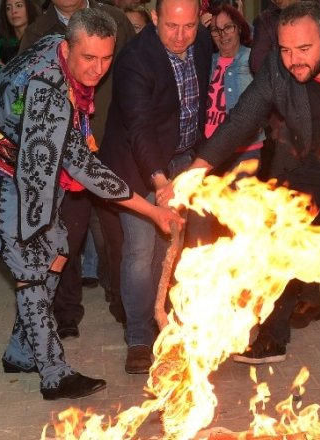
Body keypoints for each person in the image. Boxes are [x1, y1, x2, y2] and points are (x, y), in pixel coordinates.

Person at [161, 0, 320, 384]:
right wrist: (195, 171)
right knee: (280, 244)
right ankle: (272, 338)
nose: (293, 60)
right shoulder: (278, 68)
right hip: (317, 159)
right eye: (285, 50)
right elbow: (241, 119)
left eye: (304, 49)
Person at [0, 7, 182, 399]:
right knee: (32, 261)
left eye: (106, 58)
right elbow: (74, 169)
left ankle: (20, 351)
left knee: (58, 248)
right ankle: (53, 374)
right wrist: (152, 211)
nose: (98, 69)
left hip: (26, 155)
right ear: (67, 48)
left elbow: (64, 155)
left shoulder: (57, 47)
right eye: (89, 58)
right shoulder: (48, 93)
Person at [99, 0, 214, 374]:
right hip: (137, 166)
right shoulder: (135, 60)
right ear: (154, 18)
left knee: (171, 249)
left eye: (189, 26)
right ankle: (138, 339)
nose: (180, 36)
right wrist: (160, 181)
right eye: (171, 26)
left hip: (183, 158)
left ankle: (165, 324)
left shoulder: (203, 42)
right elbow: (140, 128)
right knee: (139, 251)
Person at [17, 0, 136, 340]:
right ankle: (66, 310)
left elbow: (134, 74)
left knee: (119, 232)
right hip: (62, 153)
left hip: (112, 140)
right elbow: (25, 93)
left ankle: (126, 303)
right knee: (66, 233)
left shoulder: (115, 20)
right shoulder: (37, 32)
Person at [248, 0, 320, 328]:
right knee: (293, 221)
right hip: (287, 136)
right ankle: (305, 298)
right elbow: (259, 64)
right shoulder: (267, 19)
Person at [205, 3, 264, 170]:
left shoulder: (252, 58)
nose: (222, 34)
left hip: (244, 150)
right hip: (210, 149)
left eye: (228, 27)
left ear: (238, 28)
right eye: (215, 30)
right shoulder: (207, 61)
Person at [0, 0, 40, 76]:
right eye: (8, 8)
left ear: (29, 8)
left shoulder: (42, 41)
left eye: (19, 5)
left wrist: (11, 71)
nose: (13, 11)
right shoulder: (0, 44)